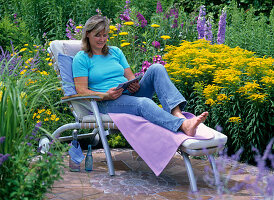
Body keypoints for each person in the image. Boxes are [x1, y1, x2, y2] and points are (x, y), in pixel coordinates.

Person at [72, 15, 208, 137]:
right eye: (97, 35)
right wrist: (106, 95)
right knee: (143, 103)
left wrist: (134, 84)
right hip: (107, 102)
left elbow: (131, 77)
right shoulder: (82, 58)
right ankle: (183, 126)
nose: (102, 39)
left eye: (105, 35)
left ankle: (178, 116)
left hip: (128, 95)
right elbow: (81, 91)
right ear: (88, 34)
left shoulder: (116, 52)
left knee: (157, 68)